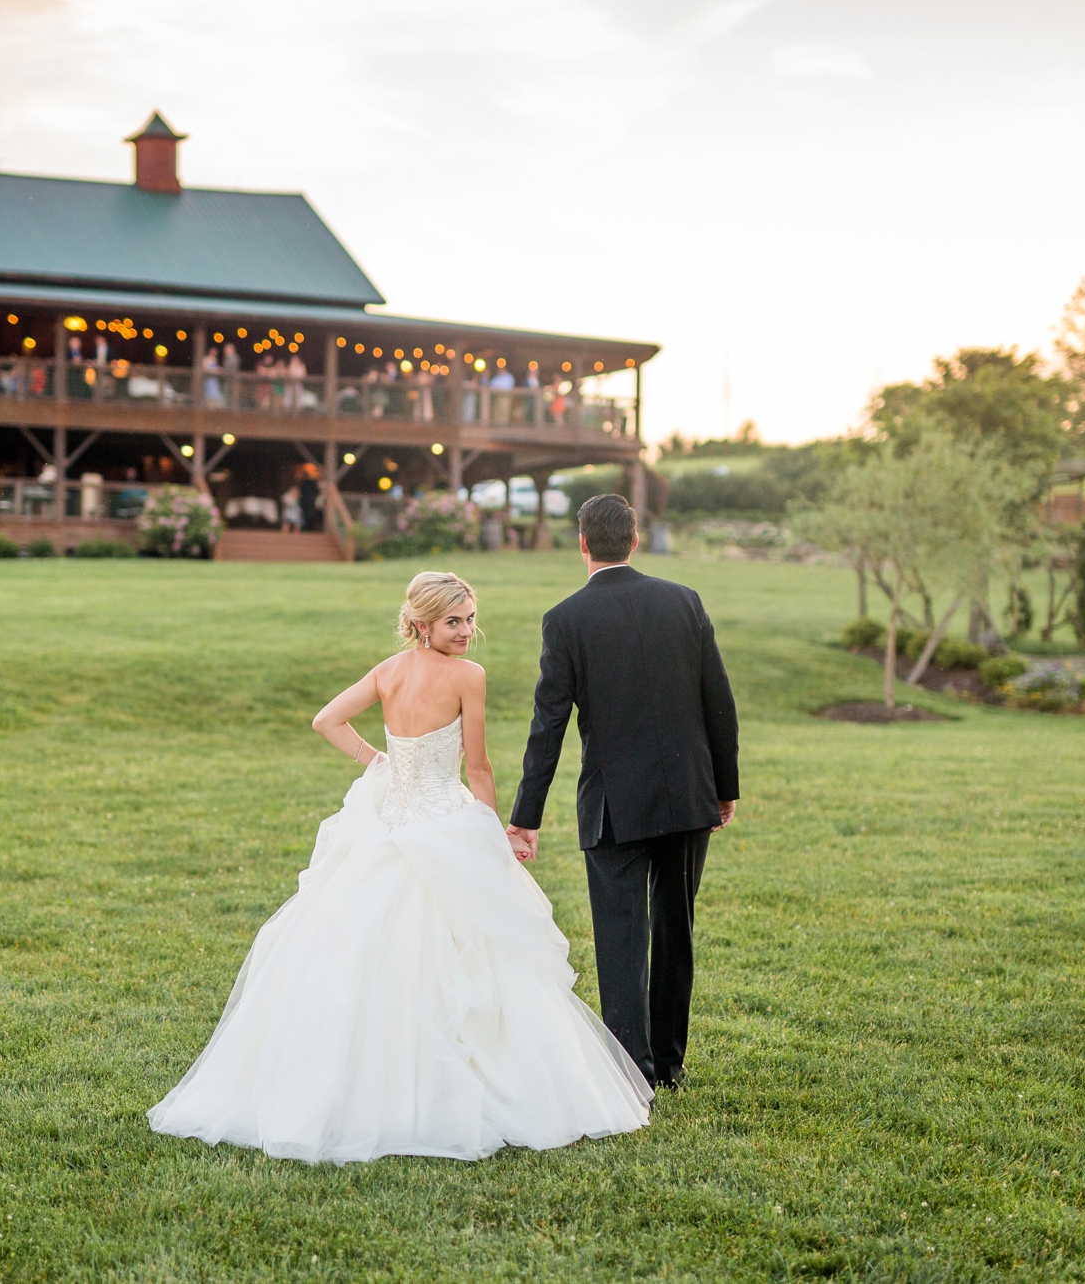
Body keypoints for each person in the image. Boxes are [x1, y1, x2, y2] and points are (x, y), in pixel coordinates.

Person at [148, 572, 651, 1163]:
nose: (466, 632)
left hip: (389, 821)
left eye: (469, 619)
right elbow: (480, 765)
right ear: (421, 623)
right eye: (453, 622)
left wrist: (375, 759)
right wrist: (490, 834)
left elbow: (326, 720)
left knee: (361, 946)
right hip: (441, 819)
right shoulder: (468, 678)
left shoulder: (389, 671)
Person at [507, 495, 739, 1092]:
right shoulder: (683, 601)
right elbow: (720, 701)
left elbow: (547, 726)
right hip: (689, 794)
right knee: (675, 928)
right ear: (634, 540)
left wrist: (525, 816)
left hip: (614, 805)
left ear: (582, 544)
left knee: (620, 938)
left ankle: (628, 1070)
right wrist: (725, 787)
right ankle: (669, 1066)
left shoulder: (565, 619)